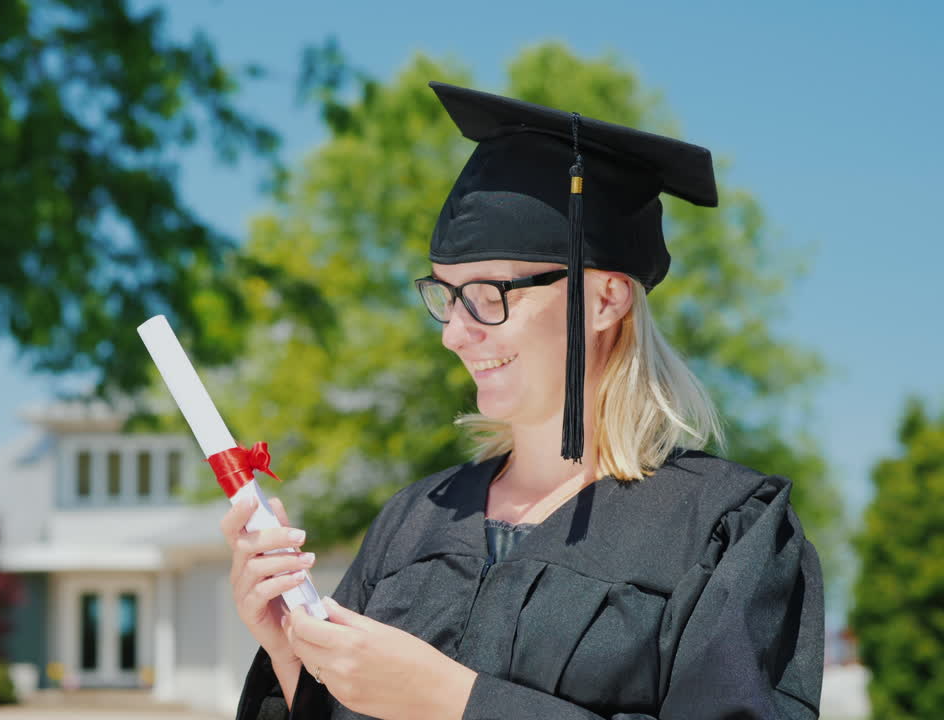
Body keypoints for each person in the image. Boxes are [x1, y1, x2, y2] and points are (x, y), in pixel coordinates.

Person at [221, 81, 824, 719]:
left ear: (606, 299)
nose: (455, 332)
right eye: (446, 295)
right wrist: (291, 654)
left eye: (488, 293)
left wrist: (455, 702)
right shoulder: (414, 520)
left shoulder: (723, 530)